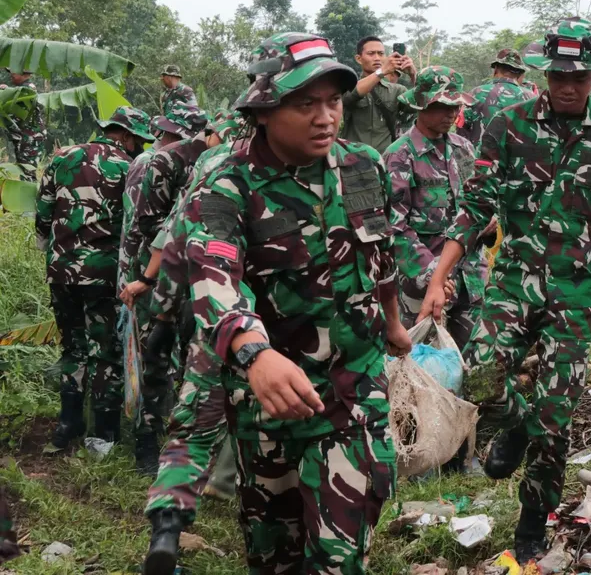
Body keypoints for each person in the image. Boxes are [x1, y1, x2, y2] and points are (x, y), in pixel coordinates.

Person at [418, 16, 591, 563]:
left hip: (573, 291)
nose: (568, 85)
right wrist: (439, 277)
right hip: (511, 282)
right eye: (559, 74)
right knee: (479, 376)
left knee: (558, 418)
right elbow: (475, 206)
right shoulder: (508, 125)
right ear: (544, 73)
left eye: (580, 76)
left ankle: (532, 525)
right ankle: (516, 424)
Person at [174, 32, 410, 573]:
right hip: (271, 399)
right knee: (273, 552)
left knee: (339, 557)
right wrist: (254, 353)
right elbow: (214, 276)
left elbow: (382, 253)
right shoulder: (225, 181)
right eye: (305, 104)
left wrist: (394, 322)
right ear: (263, 111)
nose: (325, 118)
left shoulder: (363, 164)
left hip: (355, 387)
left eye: (332, 102)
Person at [142, 113, 247, 575]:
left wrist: (164, 312)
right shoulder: (324, 166)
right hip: (281, 329)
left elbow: (176, 240)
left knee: (192, 430)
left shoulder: (213, 165)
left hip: (213, 314)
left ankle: (167, 527)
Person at [36, 107, 155, 452]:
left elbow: (43, 213)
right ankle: (103, 435)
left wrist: (56, 251)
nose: (140, 146)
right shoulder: (129, 167)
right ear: (128, 136)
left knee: (72, 347)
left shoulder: (63, 157)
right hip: (103, 274)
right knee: (105, 352)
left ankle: (67, 425)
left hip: (61, 270)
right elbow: (137, 224)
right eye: (139, 140)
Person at [118, 102, 209, 474]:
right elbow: (148, 224)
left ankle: (183, 443)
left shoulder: (214, 161)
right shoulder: (161, 162)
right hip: (155, 270)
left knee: (192, 359)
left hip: (197, 274)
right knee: (154, 353)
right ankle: (146, 439)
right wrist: (148, 276)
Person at [384, 66, 485, 349]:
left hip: (470, 277)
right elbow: (394, 227)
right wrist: (433, 274)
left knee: (471, 359)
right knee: (420, 359)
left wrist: (489, 223)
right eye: (442, 106)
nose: (451, 114)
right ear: (421, 105)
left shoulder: (464, 148)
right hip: (421, 282)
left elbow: (477, 202)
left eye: (455, 106)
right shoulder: (400, 155)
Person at [342, 35, 418, 153]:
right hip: (353, 159)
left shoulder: (397, 90)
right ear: (358, 59)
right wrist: (382, 71)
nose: (377, 58)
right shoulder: (346, 85)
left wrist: (414, 75)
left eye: (381, 54)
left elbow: (420, 105)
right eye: (371, 53)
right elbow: (350, 96)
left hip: (385, 159)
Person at [460, 49, 532, 145]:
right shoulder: (531, 96)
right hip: (520, 154)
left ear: (496, 69)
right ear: (520, 73)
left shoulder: (476, 93)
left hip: (482, 153)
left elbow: (462, 128)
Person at [0, 69, 48, 180]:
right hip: (23, 137)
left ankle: (29, 190)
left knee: (28, 172)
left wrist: (6, 90)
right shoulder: (21, 88)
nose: (11, 74)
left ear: (24, 74)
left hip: (30, 137)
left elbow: (19, 95)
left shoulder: (28, 89)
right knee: (23, 169)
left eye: (14, 72)